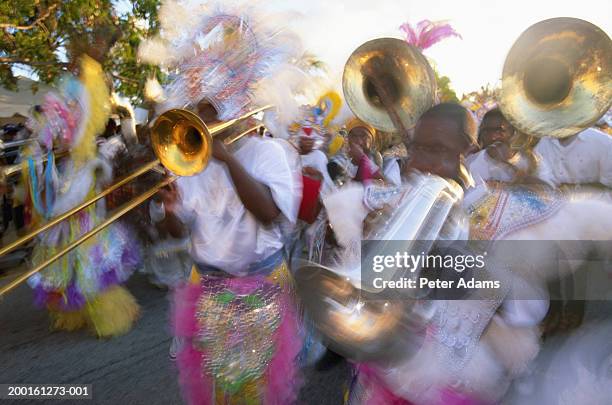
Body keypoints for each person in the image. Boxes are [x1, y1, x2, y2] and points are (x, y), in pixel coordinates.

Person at [139, 5, 304, 403]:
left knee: (253, 391)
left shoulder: (269, 153)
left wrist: (228, 158)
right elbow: (179, 233)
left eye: (209, 113)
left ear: (236, 112)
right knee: (217, 390)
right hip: (207, 287)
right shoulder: (190, 163)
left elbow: (268, 215)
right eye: (197, 113)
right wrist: (168, 209)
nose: (201, 121)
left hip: (260, 287)